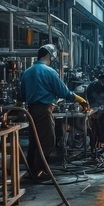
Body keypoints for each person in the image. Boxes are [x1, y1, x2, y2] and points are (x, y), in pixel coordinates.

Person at [20, 44, 89, 179]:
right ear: (48, 56)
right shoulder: (49, 72)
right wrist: (81, 100)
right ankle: (40, 171)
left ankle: (31, 170)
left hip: (31, 110)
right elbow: (63, 92)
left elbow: (20, 96)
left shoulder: (27, 72)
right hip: (44, 110)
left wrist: (15, 111)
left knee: (34, 141)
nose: (52, 60)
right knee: (47, 141)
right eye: (52, 57)